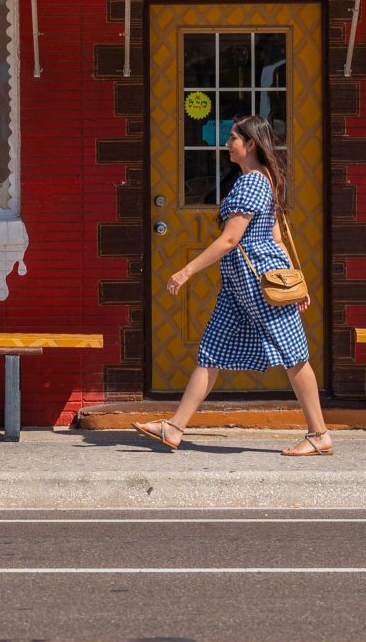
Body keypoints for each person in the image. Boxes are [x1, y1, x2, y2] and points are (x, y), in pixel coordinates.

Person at [134, 114, 333, 457]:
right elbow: (276, 237)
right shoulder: (259, 180)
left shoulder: (253, 182)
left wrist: (185, 272)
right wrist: (294, 279)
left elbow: (229, 240)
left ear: (251, 144)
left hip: (258, 283)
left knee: (294, 354)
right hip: (239, 285)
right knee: (211, 350)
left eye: (234, 138)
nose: (228, 143)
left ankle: (319, 434)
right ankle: (174, 428)